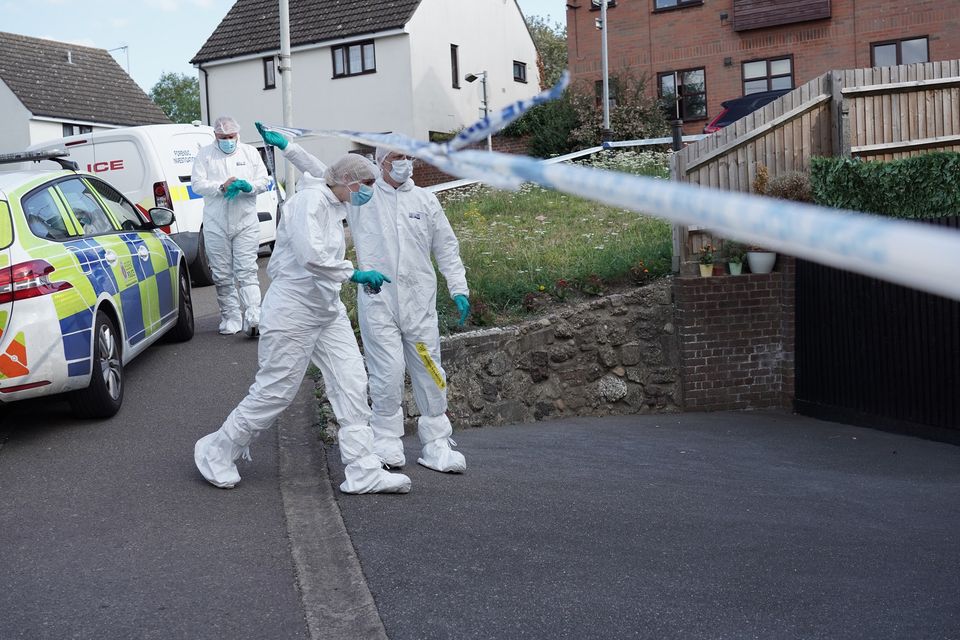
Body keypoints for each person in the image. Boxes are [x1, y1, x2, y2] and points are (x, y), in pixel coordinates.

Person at [257, 123, 470, 474]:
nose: (406, 163)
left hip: (419, 302)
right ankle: (386, 440)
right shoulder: (363, 196)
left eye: (409, 157)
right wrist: (289, 148)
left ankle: (436, 442)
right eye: (398, 157)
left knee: (430, 369)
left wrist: (458, 287)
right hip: (378, 300)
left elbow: (446, 247)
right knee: (386, 372)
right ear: (382, 162)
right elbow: (325, 172)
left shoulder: (425, 200)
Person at [194, 153, 411, 494]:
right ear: (348, 181)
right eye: (367, 183)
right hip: (292, 310)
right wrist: (354, 272)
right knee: (275, 391)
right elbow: (312, 255)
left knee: (352, 383)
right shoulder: (309, 201)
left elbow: (325, 260)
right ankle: (217, 450)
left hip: (326, 309)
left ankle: (363, 469)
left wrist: (350, 275)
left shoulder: (336, 205)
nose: (371, 189)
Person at [191, 116, 270, 337]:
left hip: (245, 221)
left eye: (231, 137)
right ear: (215, 136)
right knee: (222, 273)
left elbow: (264, 181)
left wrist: (248, 186)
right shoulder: (205, 155)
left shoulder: (250, 153)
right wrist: (220, 187)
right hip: (216, 223)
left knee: (247, 271)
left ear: (238, 135)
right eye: (223, 137)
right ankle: (230, 317)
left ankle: (254, 315)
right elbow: (197, 184)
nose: (227, 140)